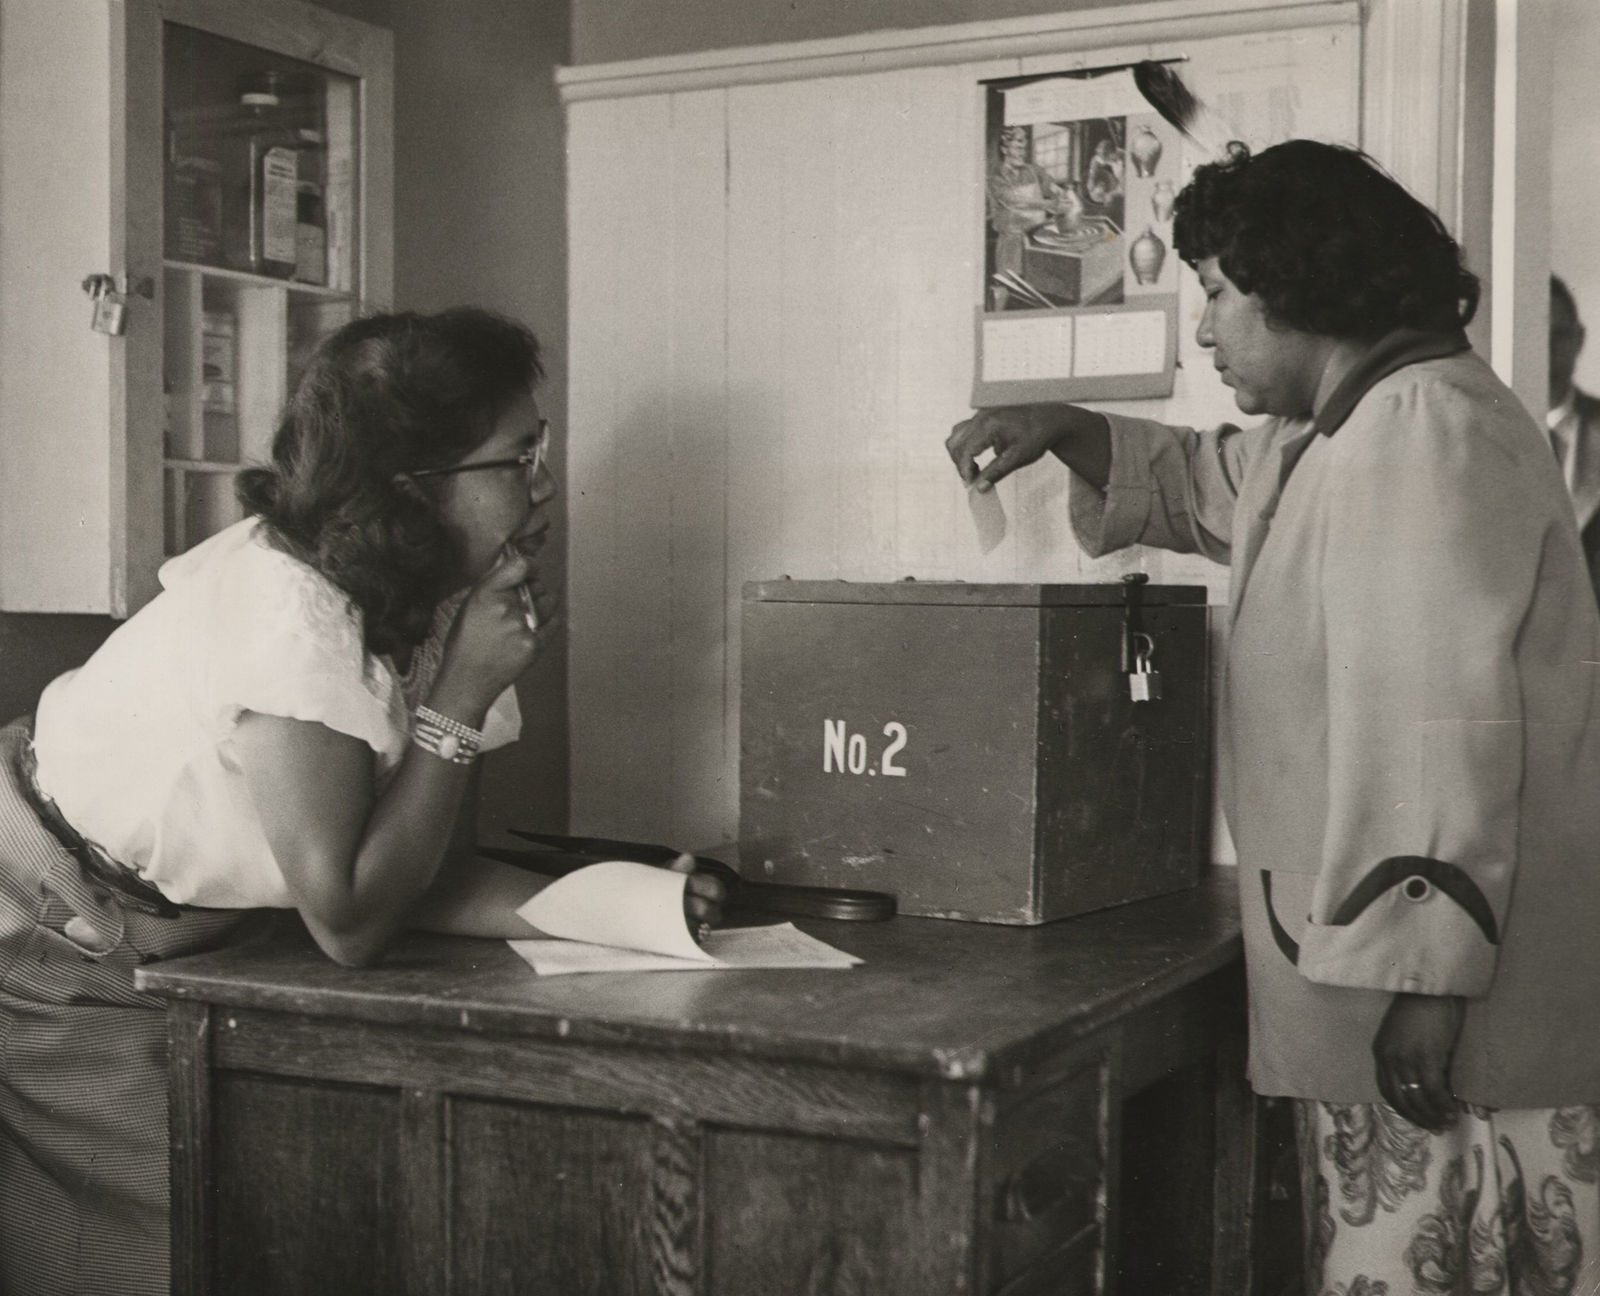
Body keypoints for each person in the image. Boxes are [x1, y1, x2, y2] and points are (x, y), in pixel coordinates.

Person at [948, 141, 1600, 1294]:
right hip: (1407, 966)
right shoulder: (1351, 423)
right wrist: (1067, 424)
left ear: (1295, 286)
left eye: (1214, 295)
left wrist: (1422, 990)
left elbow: (1440, 732)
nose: (1202, 333)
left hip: (1441, 992)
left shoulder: (1417, 439)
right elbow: (1220, 485)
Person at [0, 307, 724, 1294]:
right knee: (201, 1248)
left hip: (189, 945)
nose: (546, 481)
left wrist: (632, 907)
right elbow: (351, 921)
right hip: (50, 939)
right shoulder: (290, 615)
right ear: (413, 490)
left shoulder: (423, 592)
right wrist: (462, 696)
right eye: (518, 456)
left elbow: (411, 868)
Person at [1548, 273, 1600, 610]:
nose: (1548, 350)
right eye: (1537, 335)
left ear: (1579, 339)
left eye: (1559, 335)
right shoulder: (1487, 430)